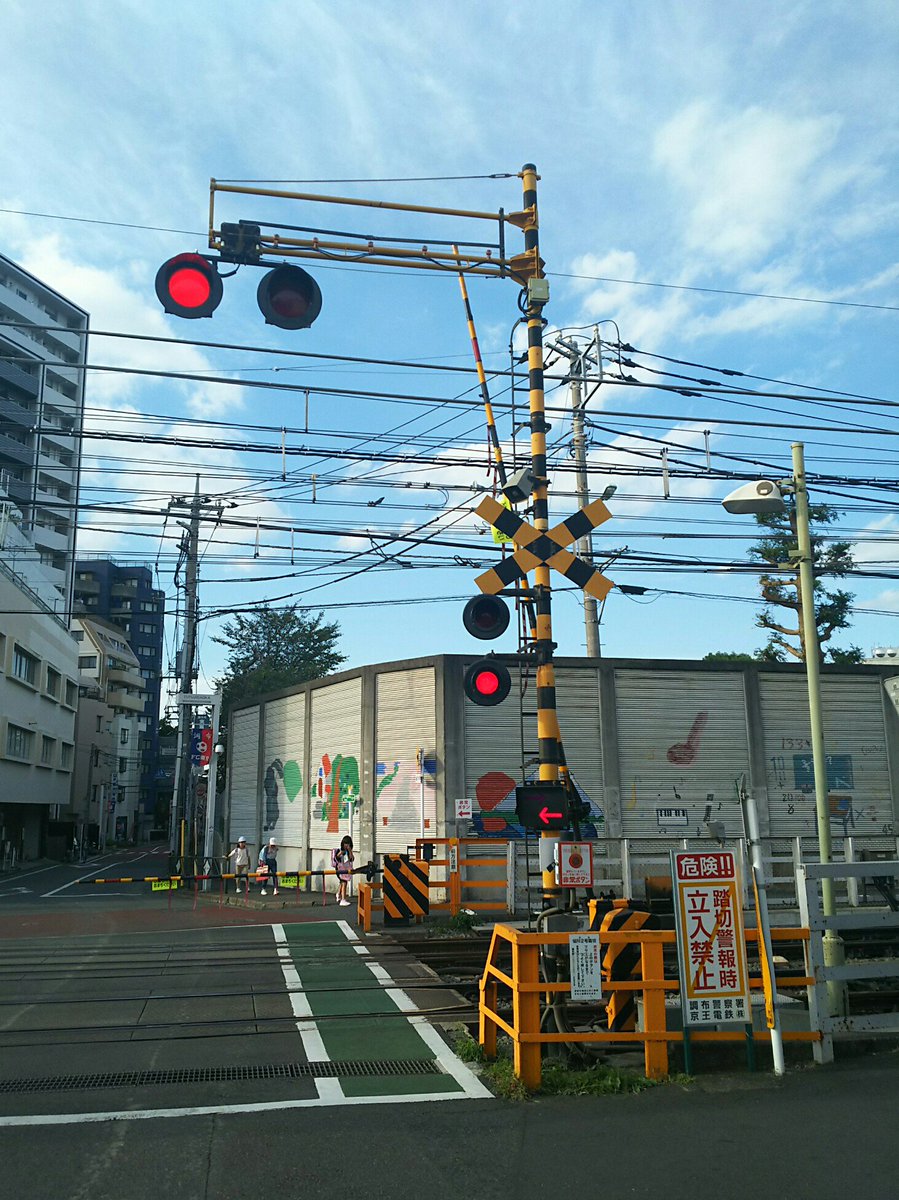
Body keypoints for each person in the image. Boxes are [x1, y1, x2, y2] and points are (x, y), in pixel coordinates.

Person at [332, 835, 354, 906]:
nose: (346, 845)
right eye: (345, 843)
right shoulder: (340, 850)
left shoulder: (349, 851)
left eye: (348, 844)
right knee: (344, 882)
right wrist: (341, 852)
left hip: (346, 869)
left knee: (342, 882)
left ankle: (338, 894)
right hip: (340, 869)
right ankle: (343, 900)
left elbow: (352, 859)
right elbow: (337, 857)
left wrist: (350, 850)